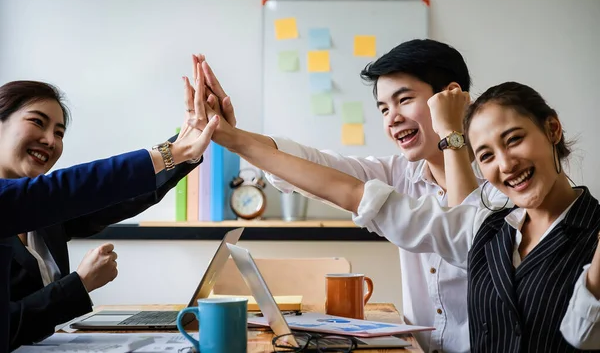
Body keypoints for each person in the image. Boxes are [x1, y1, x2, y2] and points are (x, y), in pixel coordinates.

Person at [198, 79, 599, 352]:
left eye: (514, 140)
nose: (506, 164)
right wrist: (232, 139)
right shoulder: (484, 225)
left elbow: (581, 338)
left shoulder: (591, 235)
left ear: (552, 129)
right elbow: (351, 191)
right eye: (486, 155)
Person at [188, 41, 505, 353]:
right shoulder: (397, 174)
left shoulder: (504, 182)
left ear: (451, 98)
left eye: (404, 100)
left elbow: (465, 233)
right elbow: (312, 164)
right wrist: (230, 136)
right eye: (383, 109)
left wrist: (453, 135)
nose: (392, 119)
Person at [0, 77, 219, 352]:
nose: (50, 140)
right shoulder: (29, 201)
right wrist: (78, 285)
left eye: (59, 133)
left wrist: (191, 144)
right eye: (37, 122)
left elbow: (117, 196)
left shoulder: (44, 214)